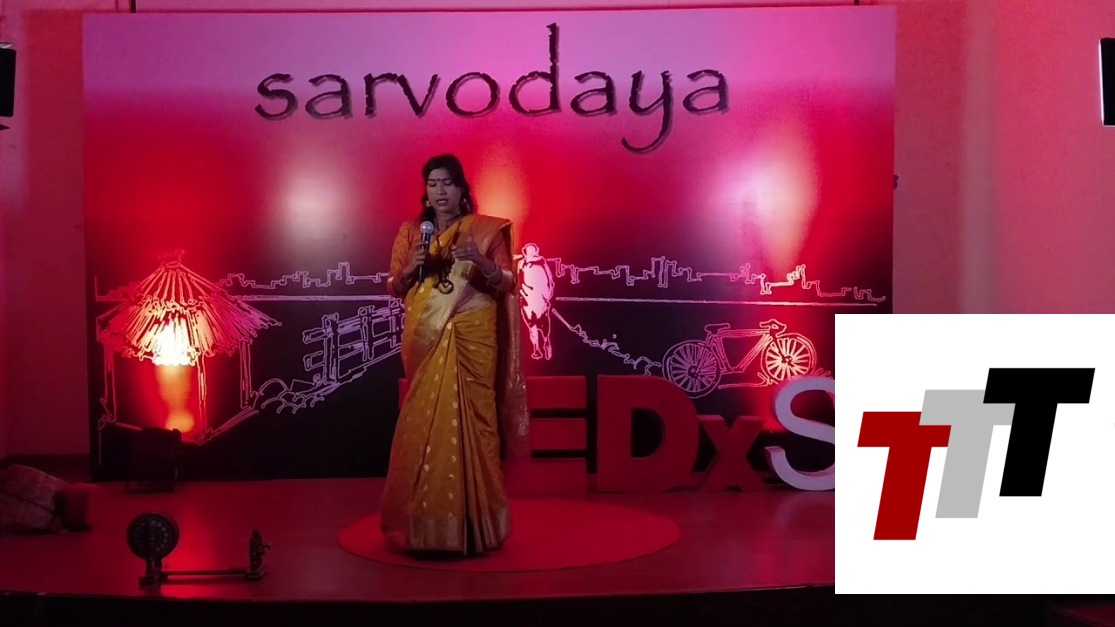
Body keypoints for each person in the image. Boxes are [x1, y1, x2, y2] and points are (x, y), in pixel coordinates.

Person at [380, 154, 529, 556]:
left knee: (476, 424)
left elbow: (508, 281)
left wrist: (479, 261)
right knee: (425, 420)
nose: (439, 191)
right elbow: (393, 286)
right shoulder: (413, 232)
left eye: (447, 183)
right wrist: (410, 269)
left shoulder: (485, 231)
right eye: (432, 184)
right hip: (427, 336)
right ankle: (425, 525)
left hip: (474, 336)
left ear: (462, 188)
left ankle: (478, 526)